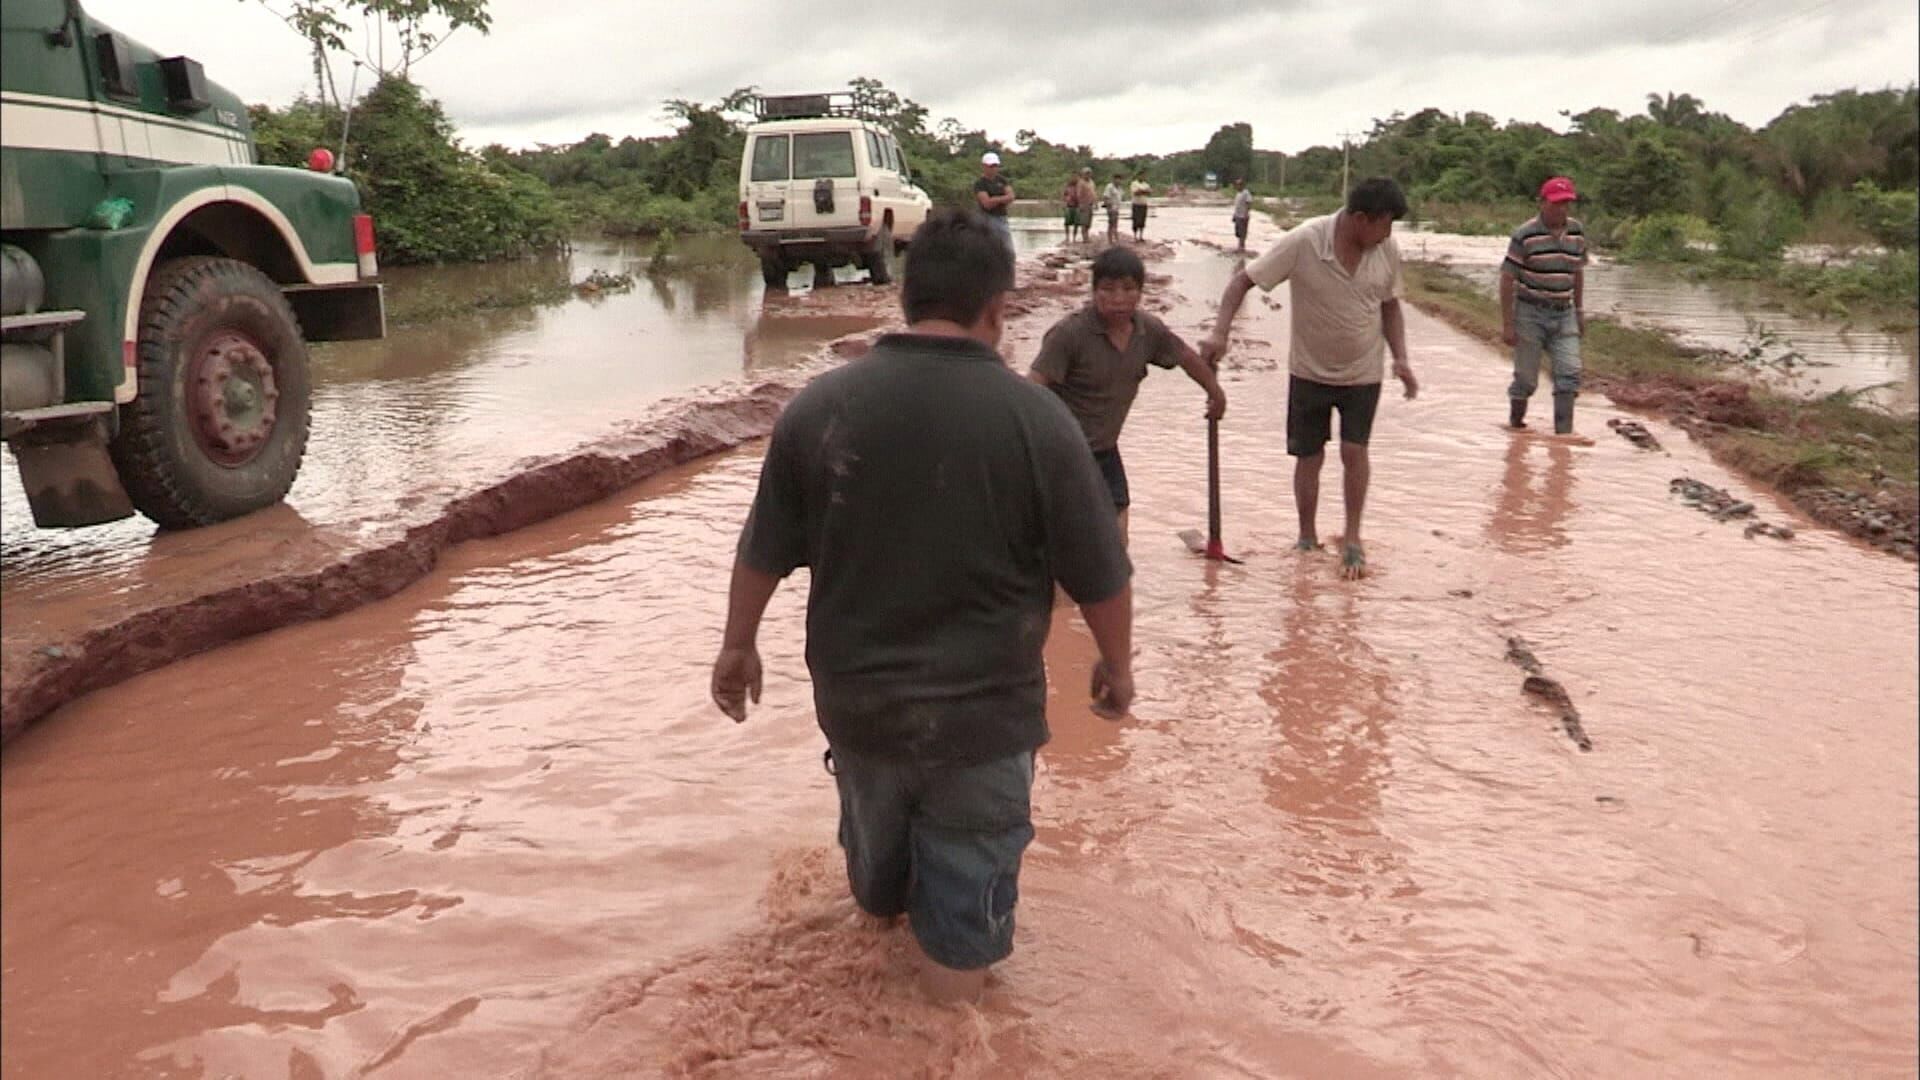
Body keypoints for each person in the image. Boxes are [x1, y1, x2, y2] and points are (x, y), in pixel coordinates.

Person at [711, 208, 1135, 1005]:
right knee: (959, 967)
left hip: (861, 713)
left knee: (877, 902)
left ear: (907, 294)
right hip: (985, 724)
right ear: (998, 306)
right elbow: (1102, 577)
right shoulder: (1037, 420)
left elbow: (762, 547)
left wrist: (737, 646)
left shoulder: (820, 408)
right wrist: (1117, 666)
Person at [1198, 177, 1419, 580]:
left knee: (1355, 452)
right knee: (1309, 456)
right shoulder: (1304, 242)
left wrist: (1401, 358)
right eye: (1384, 223)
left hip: (1363, 372)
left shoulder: (1385, 249)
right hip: (1309, 371)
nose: (1389, 233)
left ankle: (1352, 539)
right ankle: (1306, 537)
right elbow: (1241, 282)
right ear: (1360, 218)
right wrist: (1220, 332)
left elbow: (1390, 307)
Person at [1029, 245, 1228, 542]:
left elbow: (1186, 357)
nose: (1118, 299)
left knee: (1118, 541)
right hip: (1061, 452)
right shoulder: (1069, 334)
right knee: (1065, 546)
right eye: (1108, 289)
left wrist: (1215, 392)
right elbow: (1033, 387)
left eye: (1128, 289)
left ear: (1140, 292)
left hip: (1105, 450)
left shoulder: (1148, 331)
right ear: (1094, 291)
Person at [1501, 176, 1589, 434]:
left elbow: (1578, 272)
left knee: (1569, 373)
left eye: (1566, 204)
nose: (1561, 209)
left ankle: (1563, 437)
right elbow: (1507, 279)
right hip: (1530, 312)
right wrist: (1508, 324)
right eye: (1556, 203)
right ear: (1542, 203)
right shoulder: (1524, 234)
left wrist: (1580, 311)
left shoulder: (1576, 232)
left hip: (1564, 312)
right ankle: (1516, 428)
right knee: (1526, 379)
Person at [973, 152, 1016, 255]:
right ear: (984, 167)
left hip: (1001, 217)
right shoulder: (980, 183)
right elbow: (986, 203)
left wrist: (994, 199)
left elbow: (1011, 196)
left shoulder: (1002, 180)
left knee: (1008, 248)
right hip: (986, 218)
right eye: (991, 166)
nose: (994, 169)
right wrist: (1003, 199)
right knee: (987, 247)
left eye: (995, 166)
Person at [1072, 167, 1097, 243]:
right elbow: (1078, 194)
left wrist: (1096, 203)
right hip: (1084, 204)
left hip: (1091, 204)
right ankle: (1085, 238)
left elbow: (1094, 193)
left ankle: (1086, 237)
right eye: (1086, 173)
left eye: (1089, 173)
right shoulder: (1081, 183)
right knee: (1084, 222)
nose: (1088, 175)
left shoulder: (1092, 182)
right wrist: (1080, 204)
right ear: (1083, 174)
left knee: (1089, 223)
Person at [1230, 177, 1253, 254]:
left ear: (1242, 185)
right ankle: (1240, 246)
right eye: (1236, 184)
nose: (1237, 186)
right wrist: (1234, 215)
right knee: (1238, 233)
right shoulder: (1238, 194)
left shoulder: (1246, 193)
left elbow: (1248, 203)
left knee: (1242, 233)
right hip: (1238, 216)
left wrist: (1246, 214)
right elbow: (1237, 206)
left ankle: (1241, 247)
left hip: (1243, 216)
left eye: (1239, 185)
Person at [1102, 172, 1126, 245]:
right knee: (1112, 224)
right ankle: (1111, 240)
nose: (1118, 181)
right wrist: (1108, 207)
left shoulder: (1120, 188)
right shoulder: (1109, 187)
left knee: (1115, 224)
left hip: (1117, 208)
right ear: (1114, 179)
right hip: (1111, 208)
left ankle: (1114, 239)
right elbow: (1105, 197)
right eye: (1117, 179)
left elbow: (1122, 197)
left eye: (1120, 179)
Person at [1128, 175, 1152, 241]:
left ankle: (1141, 236)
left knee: (1142, 220)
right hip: (1136, 204)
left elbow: (1149, 192)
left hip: (1143, 204)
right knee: (1135, 220)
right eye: (1141, 176)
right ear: (1138, 176)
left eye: (1143, 176)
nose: (1142, 177)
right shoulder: (1134, 183)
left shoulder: (1146, 184)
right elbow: (1135, 193)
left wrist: (1141, 191)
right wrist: (1144, 191)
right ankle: (1135, 237)